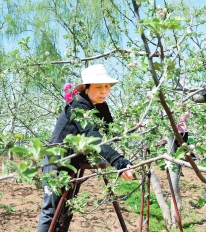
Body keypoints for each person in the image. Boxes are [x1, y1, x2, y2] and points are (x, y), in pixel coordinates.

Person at [37, 64, 134, 232]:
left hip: (72, 162)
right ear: (86, 88)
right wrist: (119, 161)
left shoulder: (99, 106)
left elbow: (108, 132)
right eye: (98, 87)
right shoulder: (78, 106)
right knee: (51, 212)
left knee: (66, 211)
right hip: (57, 162)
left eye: (107, 86)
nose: (104, 91)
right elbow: (93, 135)